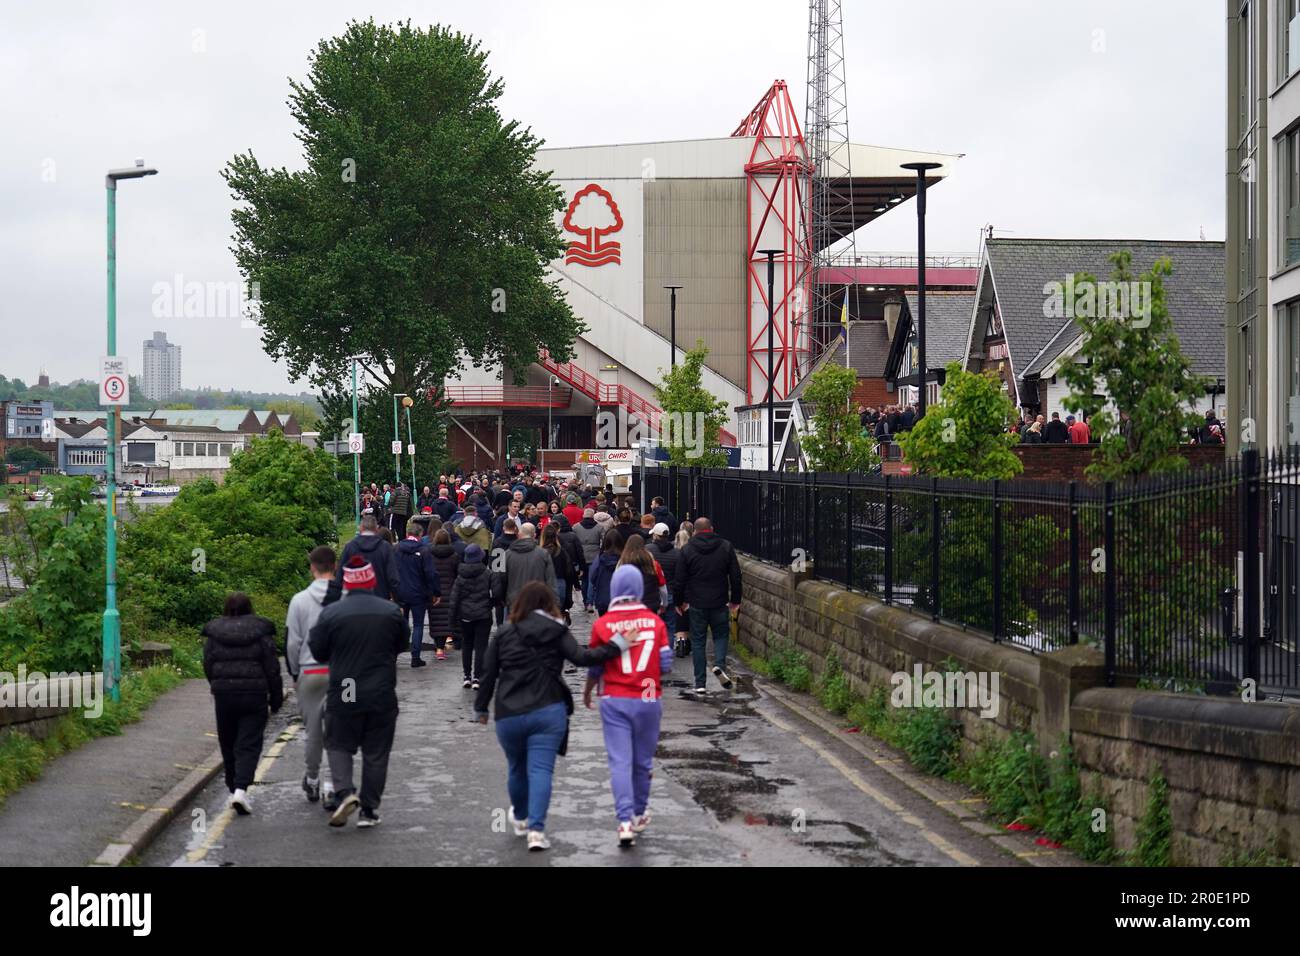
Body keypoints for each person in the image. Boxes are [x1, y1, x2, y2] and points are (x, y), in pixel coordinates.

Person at [473, 581, 628, 851]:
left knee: (516, 768)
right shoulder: (557, 631)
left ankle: (520, 817)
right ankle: (536, 830)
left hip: (509, 711)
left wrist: (482, 708)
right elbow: (582, 658)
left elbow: (488, 674)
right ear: (549, 605)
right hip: (548, 709)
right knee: (541, 769)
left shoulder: (504, 634)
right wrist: (616, 646)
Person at [308, 555, 408, 828]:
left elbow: (318, 650)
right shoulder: (390, 612)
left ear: (347, 583)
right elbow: (402, 644)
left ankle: (345, 792)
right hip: (381, 690)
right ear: (372, 581)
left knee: (339, 743)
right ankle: (369, 810)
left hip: (346, 688)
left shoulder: (332, 613)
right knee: (376, 753)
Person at [583, 565, 673, 846]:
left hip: (614, 698)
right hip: (648, 698)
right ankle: (639, 811)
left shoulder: (603, 624)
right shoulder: (655, 622)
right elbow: (666, 665)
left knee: (619, 762)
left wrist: (588, 691)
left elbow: (596, 665)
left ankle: (624, 822)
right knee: (642, 761)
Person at [202, 592, 283, 815]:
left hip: (224, 695)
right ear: (250, 608)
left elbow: (208, 663)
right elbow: (272, 668)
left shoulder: (215, 634)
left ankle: (232, 787)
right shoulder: (260, 632)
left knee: (228, 743)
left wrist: (216, 684)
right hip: (254, 694)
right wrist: (275, 698)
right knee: (248, 743)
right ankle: (240, 789)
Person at [285, 546, 337, 806]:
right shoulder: (346, 596)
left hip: (310, 671)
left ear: (311, 568)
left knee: (313, 731)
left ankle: (313, 780)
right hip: (340, 673)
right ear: (335, 566)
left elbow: (292, 643)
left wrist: (294, 672)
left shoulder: (299, 600)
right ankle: (331, 785)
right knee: (336, 731)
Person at [674, 517, 741, 695]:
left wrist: (679, 602)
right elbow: (735, 576)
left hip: (696, 602)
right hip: (719, 601)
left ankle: (700, 683)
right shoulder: (726, 546)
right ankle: (719, 665)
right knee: (720, 635)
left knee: (698, 641)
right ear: (711, 528)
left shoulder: (687, 549)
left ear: (694, 531)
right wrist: (735, 600)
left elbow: (679, 580)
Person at [395, 520, 441, 668]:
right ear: (420, 535)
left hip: (401, 592)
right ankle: (415, 656)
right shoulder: (424, 550)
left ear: (408, 534)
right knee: (418, 624)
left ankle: (394, 654)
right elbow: (430, 573)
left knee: (401, 624)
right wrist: (436, 592)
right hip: (418, 593)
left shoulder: (397, 549)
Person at [326, 515, 400, 605]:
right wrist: (398, 602)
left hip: (354, 601)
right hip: (380, 600)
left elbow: (340, 575)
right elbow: (393, 578)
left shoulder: (350, 547)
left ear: (361, 528)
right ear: (376, 529)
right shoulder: (385, 547)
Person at [450, 543, 493, 690]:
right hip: (483, 614)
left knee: (467, 644)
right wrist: (491, 603)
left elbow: (454, 599)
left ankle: (466, 676)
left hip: (465, 615)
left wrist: (452, 620)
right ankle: (478, 677)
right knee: (481, 646)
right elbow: (496, 592)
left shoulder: (460, 576)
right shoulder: (487, 574)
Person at [491, 521, 556, 611]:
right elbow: (550, 580)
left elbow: (501, 578)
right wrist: (554, 605)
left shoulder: (507, 554)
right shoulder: (543, 554)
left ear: (519, 535)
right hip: (537, 601)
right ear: (534, 535)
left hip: (514, 600)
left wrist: (501, 598)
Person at [427, 529, 460, 660]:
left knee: (435, 619)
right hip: (450, 590)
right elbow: (457, 574)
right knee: (447, 619)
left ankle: (439, 648)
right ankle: (445, 642)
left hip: (435, 592)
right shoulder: (454, 555)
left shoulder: (430, 554)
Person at [574, 507, 604, 613]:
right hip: (595, 556)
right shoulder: (599, 527)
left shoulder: (576, 527)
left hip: (581, 557)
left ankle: (585, 602)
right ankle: (590, 602)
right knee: (592, 580)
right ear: (593, 516)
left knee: (584, 580)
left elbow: (574, 543)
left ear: (583, 516)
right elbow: (603, 542)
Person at [590, 528, 625, 616]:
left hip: (603, 599)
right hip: (621, 600)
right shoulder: (625, 560)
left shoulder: (599, 559)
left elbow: (593, 577)